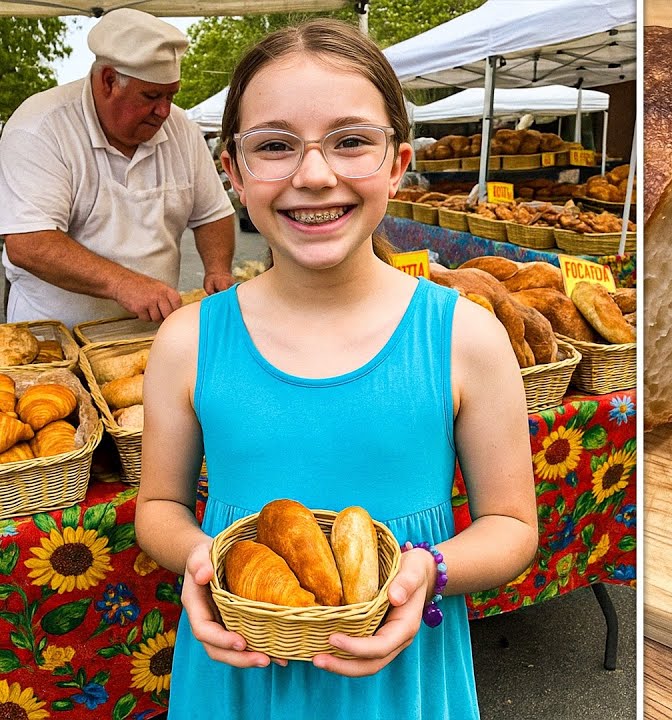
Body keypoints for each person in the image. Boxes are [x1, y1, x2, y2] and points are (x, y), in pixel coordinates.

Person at [134, 19, 537, 720]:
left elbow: (510, 524)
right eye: (274, 146)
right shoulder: (187, 341)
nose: (314, 175)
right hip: (239, 674)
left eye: (350, 141)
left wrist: (429, 571)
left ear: (397, 162)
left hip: (398, 680)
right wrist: (201, 560)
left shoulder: (466, 338)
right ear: (233, 172)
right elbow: (159, 508)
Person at [0, 8, 235, 327]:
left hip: (153, 329)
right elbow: (29, 244)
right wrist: (123, 284)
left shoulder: (181, 128)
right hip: (54, 332)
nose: (164, 111)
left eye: (171, 96)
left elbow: (212, 214)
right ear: (109, 81)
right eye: (151, 96)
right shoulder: (40, 127)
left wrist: (218, 269)